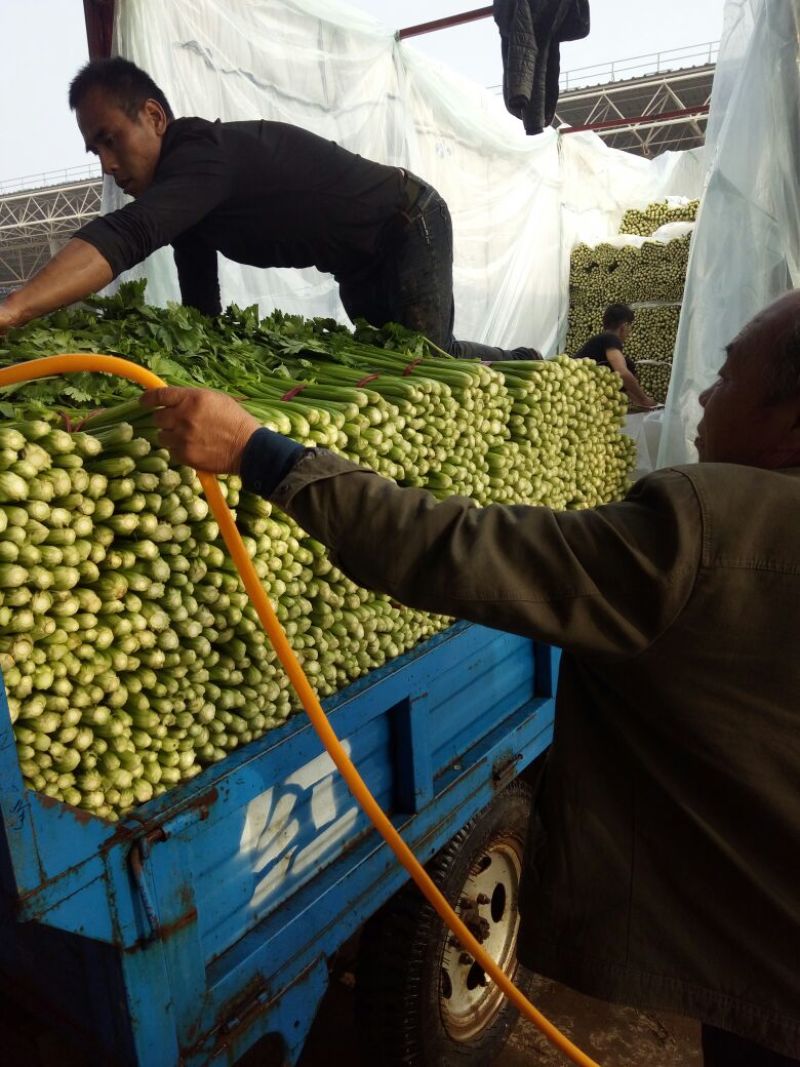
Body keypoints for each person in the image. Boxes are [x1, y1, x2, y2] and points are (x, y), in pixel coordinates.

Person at [143, 289, 800, 1066]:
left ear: (788, 421)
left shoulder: (716, 525)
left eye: (726, 378)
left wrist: (260, 451)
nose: (700, 397)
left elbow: (463, 550)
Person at [0, 58, 538, 363]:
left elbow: (129, 233)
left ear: (153, 115)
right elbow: (201, 308)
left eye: (111, 140)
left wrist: (14, 309)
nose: (108, 164)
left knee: (427, 361)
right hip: (358, 260)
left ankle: (522, 366)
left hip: (406, 221)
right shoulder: (191, 201)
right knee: (393, 355)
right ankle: (516, 364)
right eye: (96, 151)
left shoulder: (203, 158)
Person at [573, 302, 656, 408]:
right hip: (578, 390)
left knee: (627, 365)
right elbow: (623, 373)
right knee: (627, 366)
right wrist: (644, 399)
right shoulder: (611, 339)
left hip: (580, 388)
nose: (630, 332)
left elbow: (622, 384)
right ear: (624, 326)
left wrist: (639, 401)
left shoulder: (602, 341)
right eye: (630, 326)